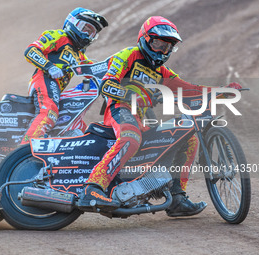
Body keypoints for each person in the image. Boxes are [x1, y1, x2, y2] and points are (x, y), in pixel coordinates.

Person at [78, 16, 242, 215]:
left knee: (188, 139)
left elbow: (189, 89)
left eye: (166, 47)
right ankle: (93, 188)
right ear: (145, 39)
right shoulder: (128, 55)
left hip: (143, 118)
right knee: (131, 137)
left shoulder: (163, 71)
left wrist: (219, 91)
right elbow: (107, 84)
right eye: (157, 43)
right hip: (120, 109)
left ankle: (177, 199)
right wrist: (135, 95)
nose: (160, 51)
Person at [21, 7, 108, 144]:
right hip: (44, 78)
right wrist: (49, 67)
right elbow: (31, 51)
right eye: (85, 28)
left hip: (55, 89)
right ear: (73, 23)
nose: (87, 34)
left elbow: (94, 70)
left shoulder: (79, 55)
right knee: (49, 113)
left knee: (76, 123)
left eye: (92, 33)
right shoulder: (59, 36)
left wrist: (115, 74)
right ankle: (25, 147)